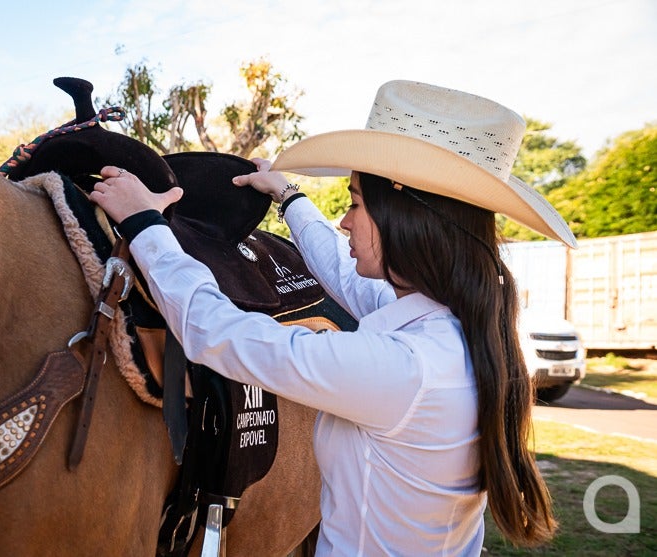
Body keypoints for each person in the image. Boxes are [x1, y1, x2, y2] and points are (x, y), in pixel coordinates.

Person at [90, 80, 573, 556]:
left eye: (355, 203)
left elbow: (219, 333)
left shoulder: (405, 369)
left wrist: (145, 225)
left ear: (407, 220)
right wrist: (289, 197)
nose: (343, 220)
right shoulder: (457, 329)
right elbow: (348, 278)